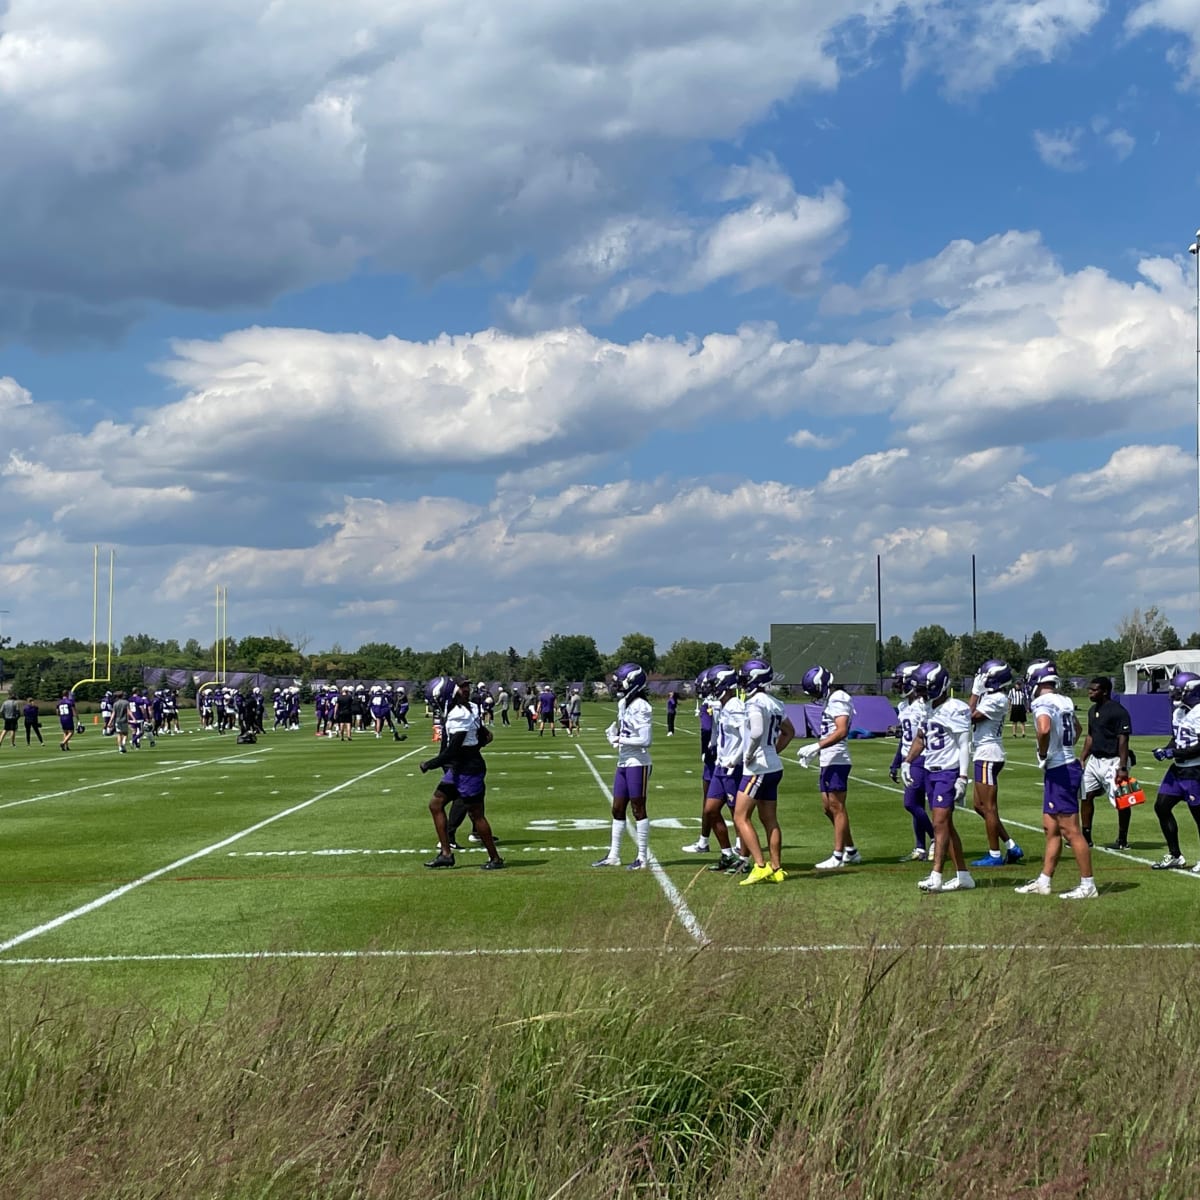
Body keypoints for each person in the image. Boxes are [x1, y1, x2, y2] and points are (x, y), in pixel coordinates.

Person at [1015, 659, 1097, 900]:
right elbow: (1078, 728)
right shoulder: (1065, 700)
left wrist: (1043, 752)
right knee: (1050, 827)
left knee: (1071, 830)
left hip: (1060, 769)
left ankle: (1088, 884)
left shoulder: (1042, 701)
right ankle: (1045, 880)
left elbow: (1043, 728)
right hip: (1064, 765)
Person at [904, 661, 976, 894]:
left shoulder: (956, 708)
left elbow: (965, 744)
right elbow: (921, 738)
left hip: (948, 771)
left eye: (926, 688)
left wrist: (963, 777)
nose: (922, 694)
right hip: (930, 770)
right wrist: (907, 761)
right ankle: (963, 876)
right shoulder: (927, 708)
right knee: (946, 826)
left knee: (939, 824)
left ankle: (936, 875)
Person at [420, 675, 503, 870]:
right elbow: (485, 735)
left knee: (476, 815)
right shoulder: (467, 708)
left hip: (468, 769)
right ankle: (446, 854)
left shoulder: (460, 713)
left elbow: (453, 749)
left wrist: (430, 764)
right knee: (435, 804)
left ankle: (495, 858)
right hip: (459, 767)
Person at [733, 659, 794, 885]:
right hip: (773, 766)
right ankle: (777, 868)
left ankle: (760, 865)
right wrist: (773, 751)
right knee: (769, 819)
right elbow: (789, 732)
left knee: (740, 817)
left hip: (757, 767)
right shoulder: (775, 702)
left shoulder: (755, 703)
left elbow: (757, 731)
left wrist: (748, 754)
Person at [796, 665, 860, 870]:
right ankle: (851, 850)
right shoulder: (831, 699)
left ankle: (838, 855)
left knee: (837, 807)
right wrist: (818, 751)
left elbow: (841, 731)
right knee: (828, 808)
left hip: (838, 758)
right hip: (829, 758)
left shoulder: (839, 697)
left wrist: (817, 746)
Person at [593, 662, 654, 870]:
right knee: (617, 808)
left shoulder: (642, 706)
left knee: (638, 808)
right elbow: (626, 733)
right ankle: (614, 855)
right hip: (623, 761)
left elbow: (645, 740)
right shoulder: (623, 704)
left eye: (621, 682)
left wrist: (619, 739)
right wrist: (615, 736)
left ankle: (642, 857)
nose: (617, 685)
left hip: (638, 762)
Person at [684, 665, 743, 871]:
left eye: (714, 684)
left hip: (732, 766)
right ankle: (727, 854)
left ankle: (743, 857)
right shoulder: (724, 705)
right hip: (720, 763)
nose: (711, 688)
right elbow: (717, 733)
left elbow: (748, 736)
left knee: (738, 814)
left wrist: (735, 758)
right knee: (710, 810)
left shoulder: (735, 705)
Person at [967, 659, 1024, 868]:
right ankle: (1011, 845)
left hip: (988, 755)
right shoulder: (993, 696)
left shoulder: (997, 698)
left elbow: (968, 717)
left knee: (989, 808)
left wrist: (974, 693)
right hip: (984, 753)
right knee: (978, 806)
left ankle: (994, 854)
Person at [1148, 671, 1200, 871]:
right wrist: (1165, 749)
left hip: (1195, 770)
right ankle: (1175, 854)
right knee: (1161, 807)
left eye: (1179, 691)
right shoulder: (1179, 711)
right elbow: (1176, 738)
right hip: (1178, 770)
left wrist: (1174, 752)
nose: (1175, 695)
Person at [1079, 676, 1134, 851]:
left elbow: (1123, 740)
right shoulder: (1092, 710)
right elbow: (1090, 736)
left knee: (1122, 800)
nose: (1090, 692)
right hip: (1095, 759)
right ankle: (1085, 836)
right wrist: (1082, 758)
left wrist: (1123, 767)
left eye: (1094, 689)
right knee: (1085, 795)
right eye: (1090, 689)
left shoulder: (1118, 711)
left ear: (1105, 691)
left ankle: (1122, 839)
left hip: (1114, 760)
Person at [889, 662, 935, 861]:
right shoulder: (902, 706)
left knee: (910, 803)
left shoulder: (922, 706)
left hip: (921, 759)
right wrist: (896, 762)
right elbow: (905, 739)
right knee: (916, 805)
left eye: (900, 681)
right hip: (910, 758)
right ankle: (920, 848)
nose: (897, 685)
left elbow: (923, 737)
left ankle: (936, 838)